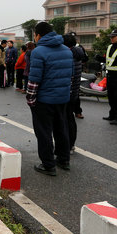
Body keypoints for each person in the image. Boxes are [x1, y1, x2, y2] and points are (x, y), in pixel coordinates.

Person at [27, 22, 73, 176]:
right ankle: (63, 160)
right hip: (62, 98)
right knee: (61, 129)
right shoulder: (67, 51)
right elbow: (69, 76)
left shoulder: (38, 52)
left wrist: (30, 99)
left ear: (38, 35)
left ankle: (48, 165)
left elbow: (34, 79)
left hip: (44, 100)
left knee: (44, 132)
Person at [63, 35, 84, 153]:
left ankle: (68, 145)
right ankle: (71, 144)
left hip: (67, 92)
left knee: (65, 120)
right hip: (74, 92)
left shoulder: (68, 55)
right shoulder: (77, 53)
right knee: (70, 118)